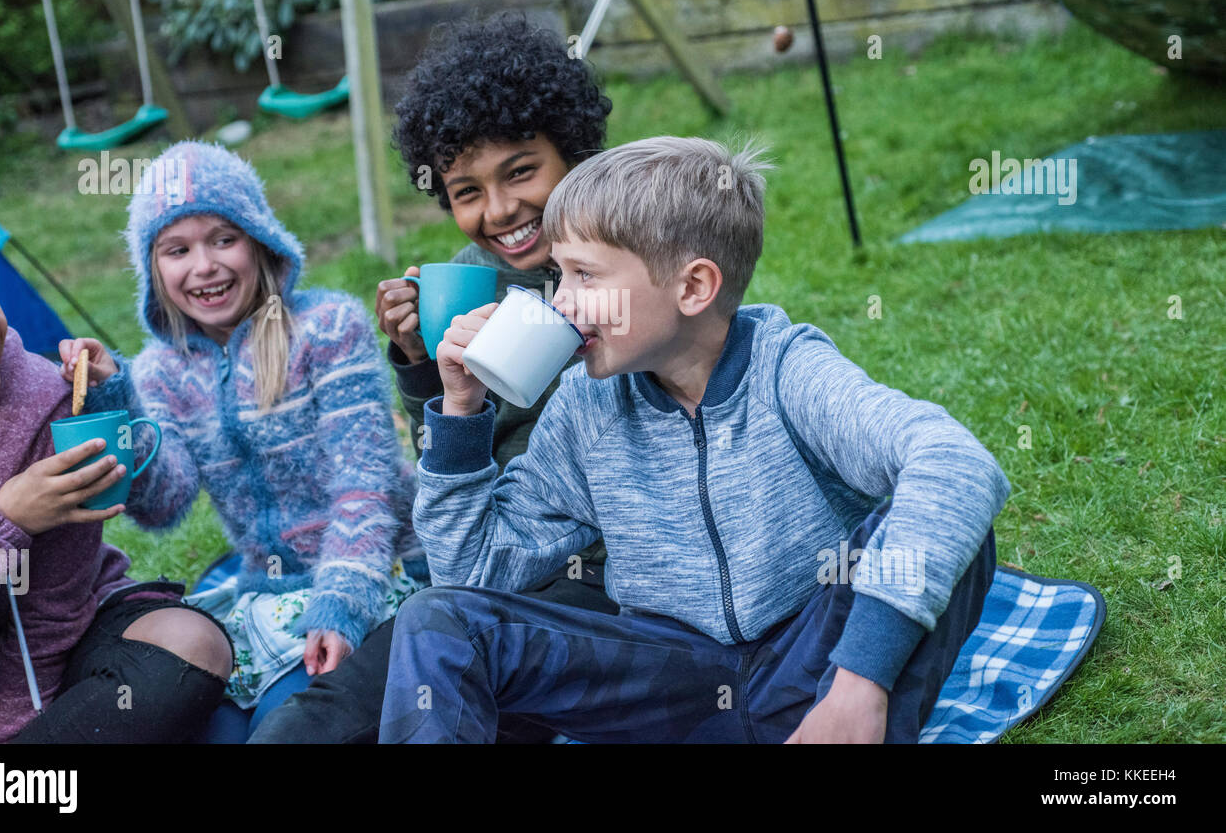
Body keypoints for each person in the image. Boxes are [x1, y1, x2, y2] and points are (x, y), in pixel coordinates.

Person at [379, 137, 1007, 743]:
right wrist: (461, 412)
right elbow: (475, 569)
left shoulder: (787, 371)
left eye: (583, 275)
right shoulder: (587, 406)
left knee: (945, 521)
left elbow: (957, 465)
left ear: (693, 287)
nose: (560, 302)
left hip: (812, 671)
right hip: (672, 686)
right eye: (559, 275)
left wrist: (858, 684)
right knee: (438, 623)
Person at [250, 11, 620, 743]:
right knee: (305, 729)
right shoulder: (480, 281)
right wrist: (422, 365)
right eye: (465, 190)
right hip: (484, 560)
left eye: (522, 170)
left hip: (602, 575)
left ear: (574, 153)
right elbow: (453, 467)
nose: (501, 209)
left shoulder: (638, 267)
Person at [74, 141, 425, 743]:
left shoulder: (326, 328)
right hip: (264, 592)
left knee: (284, 730)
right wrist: (116, 403)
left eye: (223, 239)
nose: (204, 266)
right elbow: (163, 503)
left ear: (261, 241)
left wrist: (341, 605)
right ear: (153, 268)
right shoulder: (162, 371)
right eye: (177, 249)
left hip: (373, 575)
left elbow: (366, 487)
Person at [0, 182, 231, 744]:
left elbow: (50, 617)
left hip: (54, 659)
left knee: (190, 645)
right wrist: (2, 524)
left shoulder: (39, 401)